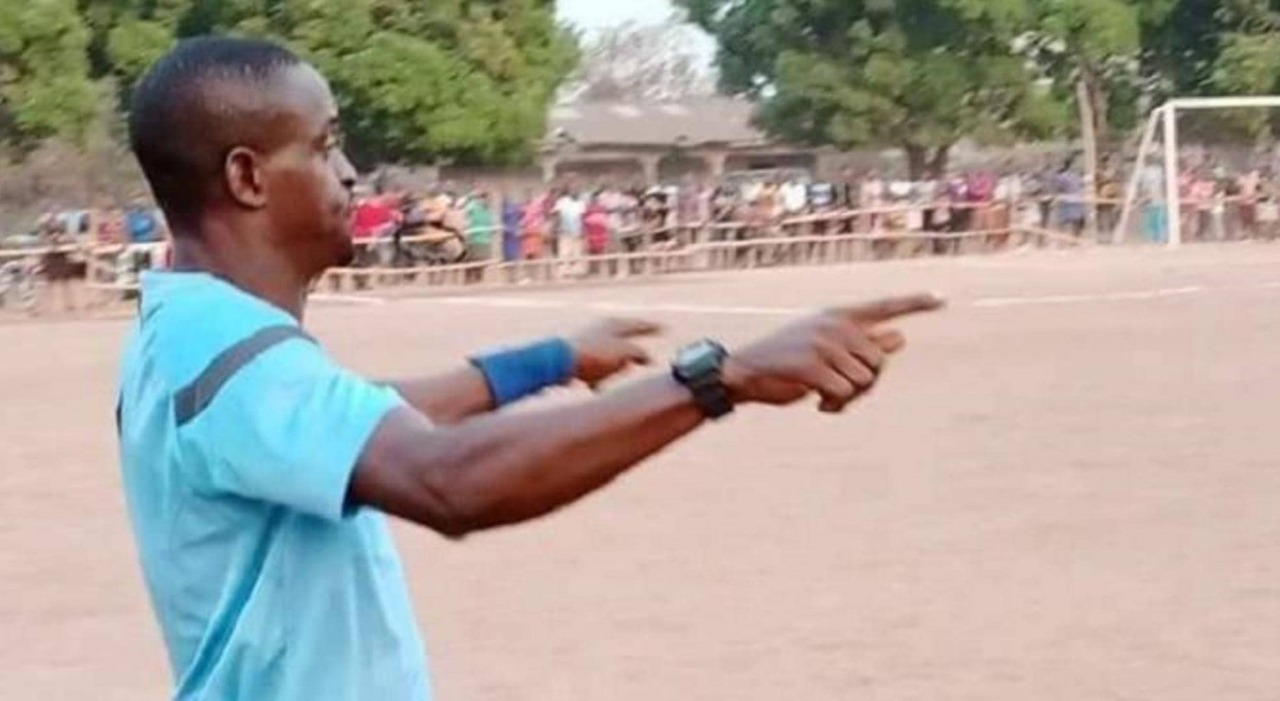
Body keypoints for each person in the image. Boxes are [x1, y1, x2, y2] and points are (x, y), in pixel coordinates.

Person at [116, 37, 943, 701]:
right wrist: (717, 379)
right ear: (247, 177)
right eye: (326, 144)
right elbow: (446, 481)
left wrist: (550, 360)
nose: (350, 171)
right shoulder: (229, 354)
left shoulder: (190, 331)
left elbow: (357, 416)